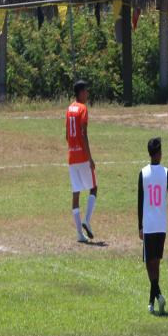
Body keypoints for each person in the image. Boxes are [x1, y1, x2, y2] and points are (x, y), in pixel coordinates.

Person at [137, 137, 168, 315]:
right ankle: (151, 302)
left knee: (150, 265)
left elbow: (140, 201)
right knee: (155, 264)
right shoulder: (166, 173)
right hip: (161, 226)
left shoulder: (143, 173)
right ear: (157, 153)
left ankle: (158, 296)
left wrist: (139, 226)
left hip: (149, 225)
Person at [66, 80, 97, 243]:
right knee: (94, 188)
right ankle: (87, 220)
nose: (87, 94)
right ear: (80, 93)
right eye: (86, 91)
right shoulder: (83, 109)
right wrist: (90, 158)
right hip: (82, 157)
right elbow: (84, 134)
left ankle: (79, 233)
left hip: (71, 157)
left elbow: (66, 134)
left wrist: (73, 149)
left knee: (76, 194)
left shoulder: (69, 109)